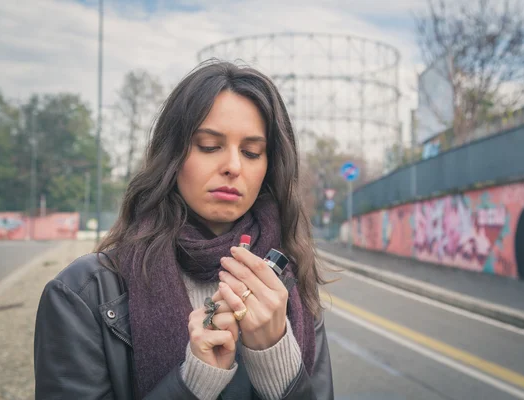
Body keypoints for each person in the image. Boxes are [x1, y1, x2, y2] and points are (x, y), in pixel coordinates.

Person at [33, 60, 334, 399]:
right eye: (209, 146)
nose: (233, 166)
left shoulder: (290, 282)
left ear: (269, 166)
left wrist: (275, 357)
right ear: (172, 155)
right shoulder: (82, 293)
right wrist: (195, 381)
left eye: (251, 152)